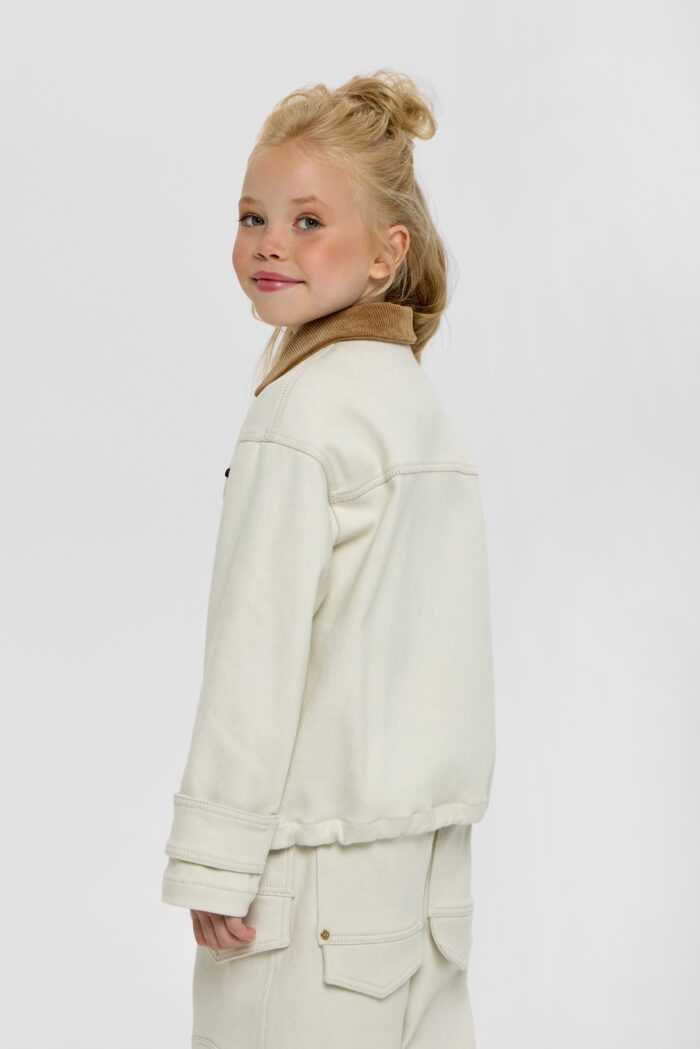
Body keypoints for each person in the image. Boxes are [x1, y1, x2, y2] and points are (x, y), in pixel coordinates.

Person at [161, 68, 497, 1049]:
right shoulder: (416, 408)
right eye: (253, 216)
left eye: (309, 221)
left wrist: (215, 854)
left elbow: (257, 654)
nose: (270, 242)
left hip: (308, 883)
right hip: (425, 882)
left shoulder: (299, 416)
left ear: (389, 253)